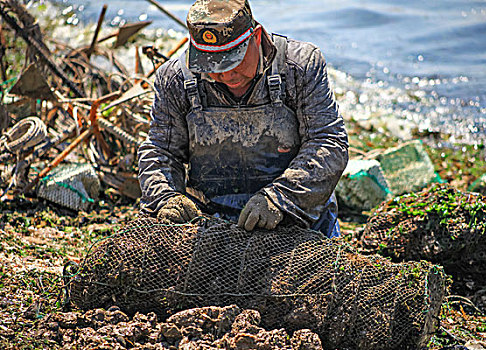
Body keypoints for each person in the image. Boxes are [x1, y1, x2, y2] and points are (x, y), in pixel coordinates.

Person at [138, 0, 349, 237]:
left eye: (233, 60)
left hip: (299, 219)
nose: (226, 74)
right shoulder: (174, 79)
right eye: (212, 64)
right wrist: (166, 198)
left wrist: (279, 199)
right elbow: (160, 151)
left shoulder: (299, 66)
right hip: (210, 224)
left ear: (256, 37)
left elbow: (328, 142)